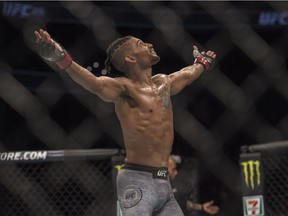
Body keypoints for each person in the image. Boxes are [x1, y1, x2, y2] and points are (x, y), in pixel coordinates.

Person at [34, 29, 216, 216]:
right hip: (137, 180)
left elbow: (186, 75)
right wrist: (61, 57)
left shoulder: (163, 83)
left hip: (164, 182)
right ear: (130, 58)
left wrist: (202, 62)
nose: (149, 44)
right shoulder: (124, 88)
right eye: (141, 44)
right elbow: (94, 83)